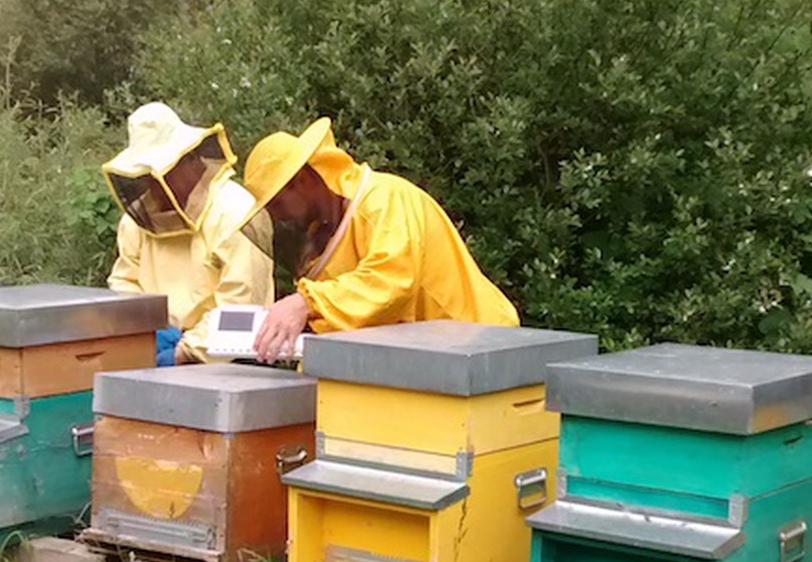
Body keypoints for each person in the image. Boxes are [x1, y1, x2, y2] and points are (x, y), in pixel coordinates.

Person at [239, 117, 518, 362]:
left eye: (276, 203)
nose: (278, 216)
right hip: (429, 360)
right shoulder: (322, 236)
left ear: (300, 181)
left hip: (482, 347)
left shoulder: (384, 199)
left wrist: (304, 303)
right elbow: (352, 314)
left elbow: (392, 281)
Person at [102, 102, 272, 365]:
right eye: (144, 177)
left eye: (159, 174)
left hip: (231, 357)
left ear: (190, 160)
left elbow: (240, 305)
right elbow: (125, 281)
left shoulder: (238, 212)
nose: (153, 189)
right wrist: (147, 329)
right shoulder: (137, 220)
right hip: (152, 345)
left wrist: (185, 351)